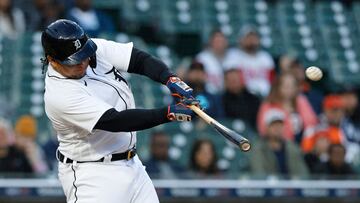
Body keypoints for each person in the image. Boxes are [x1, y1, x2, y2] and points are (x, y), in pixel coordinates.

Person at [41, 19, 198, 203]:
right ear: (52, 60)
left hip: (133, 165)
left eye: (84, 54)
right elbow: (116, 121)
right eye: (74, 61)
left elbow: (138, 59)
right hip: (93, 175)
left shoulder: (92, 50)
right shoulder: (60, 95)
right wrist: (169, 113)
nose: (83, 61)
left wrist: (171, 80)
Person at [257, 72, 318, 143]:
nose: (289, 90)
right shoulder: (268, 105)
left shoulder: (301, 100)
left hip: (303, 142)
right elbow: (263, 130)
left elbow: (312, 122)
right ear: (278, 87)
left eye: (292, 86)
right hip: (280, 144)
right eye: (286, 87)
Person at [250, 109, 309, 178]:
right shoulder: (258, 148)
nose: (277, 128)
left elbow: (302, 172)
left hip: (291, 187)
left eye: (280, 125)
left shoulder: (292, 147)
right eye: (273, 125)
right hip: (268, 187)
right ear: (266, 127)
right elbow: (258, 173)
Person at [223, 25, 275, 97]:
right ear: (241, 39)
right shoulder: (233, 56)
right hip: (241, 96)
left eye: (254, 37)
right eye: (248, 37)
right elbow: (231, 81)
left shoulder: (265, 57)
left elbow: (272, 79)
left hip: (265, 96)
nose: (251, 40)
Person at [196, 29, 230, 93]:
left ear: (226, 42)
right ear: (211, 42)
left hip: (228, 96)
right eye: (217, 41)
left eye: (221, 41)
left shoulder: (233, 57)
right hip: (207, 95)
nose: (219, 44)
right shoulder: (202, 58)